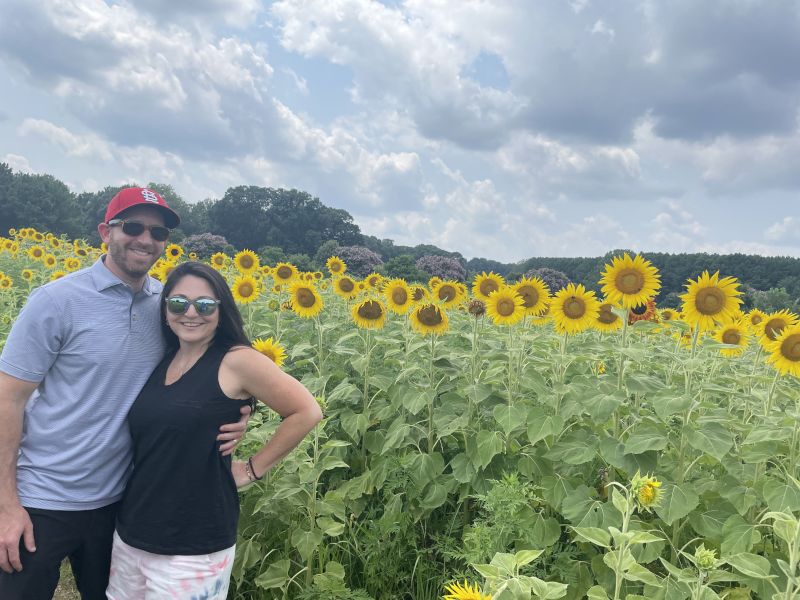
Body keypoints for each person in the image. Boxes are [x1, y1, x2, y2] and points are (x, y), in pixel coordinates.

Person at [0, 188, 250, 599]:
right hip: (41, 498)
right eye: (132, 227)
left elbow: (206, 370)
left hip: (120, 503)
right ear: (105, 231)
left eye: (158, 232)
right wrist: (8, 505)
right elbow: (9, 399)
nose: (146, 239)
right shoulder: (56, 302)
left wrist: (239, 413)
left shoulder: (170, 309)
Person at [105, 261, 323, 599]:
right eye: (178, 303)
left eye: (205, 304)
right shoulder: (164, 355)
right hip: (133, 531)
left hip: (194, 544)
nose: (191, 313)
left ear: (222, 310)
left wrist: (252, 468)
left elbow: (306, 411)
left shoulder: (237, 360)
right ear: (165, 310)